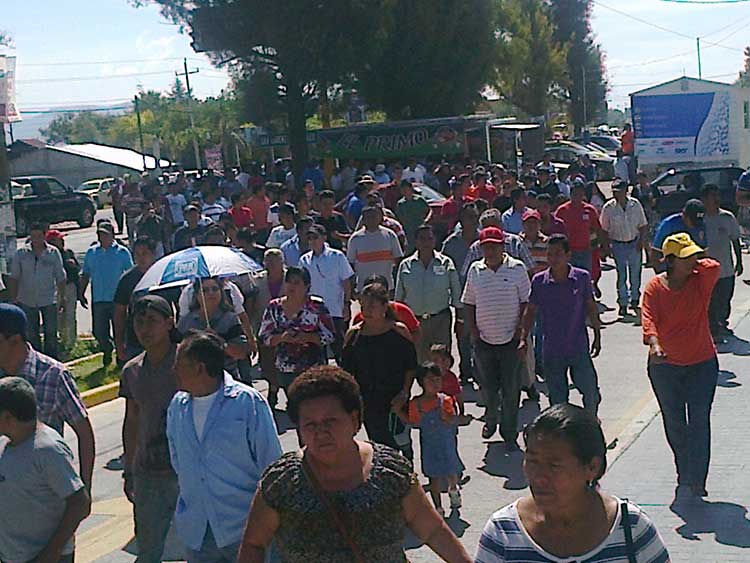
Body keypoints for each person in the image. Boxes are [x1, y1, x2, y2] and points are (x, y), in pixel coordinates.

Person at [238, 365, 471, 563]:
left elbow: (433, 531)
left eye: (330, 421)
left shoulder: (390, 472)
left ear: (354, 420)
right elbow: (253, 545)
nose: (321, 432)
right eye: (310, 424)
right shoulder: (281, 483)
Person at [475, 403, 670, 563]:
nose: (539, 476)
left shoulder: (631, 528)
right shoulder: (502, 533)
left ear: (592, 467)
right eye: (532, 461)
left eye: (554, 465)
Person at [167, 330, 282, 563]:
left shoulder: (246, 403)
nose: (173, 371)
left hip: (245, 529)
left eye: (179, 364)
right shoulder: (178, 407)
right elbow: (178, 460)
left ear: (200, 368)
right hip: (198, 532)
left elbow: (271, 465)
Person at [641, 233, 720, 497]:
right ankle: (683, 470)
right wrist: (655, 344)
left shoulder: (701, 281)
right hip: (665, 367)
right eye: (686, 258)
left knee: (699, 422)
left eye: (694, 256)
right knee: (675, 422)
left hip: (702, 364)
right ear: (670, 261)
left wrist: (693, 262)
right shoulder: (654, 287)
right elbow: (649, 319)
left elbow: (715, 266)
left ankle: (698, 478)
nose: (693, 261)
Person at [0, 304, 96, 490]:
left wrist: (84, 489)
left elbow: (84, 434)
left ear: (15, 340)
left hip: (44, 492)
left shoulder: (54, 375)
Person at [0, 377, 91, 563]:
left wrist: (51, 553)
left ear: (7, 417)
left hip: (46, 557)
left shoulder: (47, 449)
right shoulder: (5, 443)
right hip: (13, 555)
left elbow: (80, 503)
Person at [120, 296, 179, 563]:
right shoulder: (131, 371)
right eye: (139, 322)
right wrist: (129, 469)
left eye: (152, 321)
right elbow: (131, 420)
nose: (145, 329)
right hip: (148, 473)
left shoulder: (187, 363)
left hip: (186, 472)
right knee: (148, 549)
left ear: (170, 322)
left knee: (199, 548)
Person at [462, 227, 530, 444]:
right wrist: (472, 331)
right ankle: (491, 417)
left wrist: (522, 333)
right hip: (484, 341)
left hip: (510, 340)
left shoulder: (517, 269)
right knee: (488, 388)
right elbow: (469, 302)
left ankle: (509, 433)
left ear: (503, 247)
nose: (490, 251)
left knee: (511, 390)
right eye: (486, 247)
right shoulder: (475, 270)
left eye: (494, 246)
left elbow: (526, 303)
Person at [521, 235, 603, 416]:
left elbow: (591, 307)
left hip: (578, 347)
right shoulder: (540, 281)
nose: (553, 258)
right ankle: (566, 435)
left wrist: (597, 335)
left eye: (558, 254)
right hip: (552, 350)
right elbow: (530, 311)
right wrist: (523, 337)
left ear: (568, 255)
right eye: (550, 254)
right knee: (558, 400)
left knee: (590, 391)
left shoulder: (581, 278)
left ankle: (590, 422)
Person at [342, 283, 418, 452]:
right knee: (381, 448)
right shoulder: (354, 335)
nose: (366, 311)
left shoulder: (399, 331)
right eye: (363, 306)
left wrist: (404, 392)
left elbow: (411, 366)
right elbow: (346, 374)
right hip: (369, 403)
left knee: (403, 445)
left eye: (371, 306)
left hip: (396, 401)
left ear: (384, 306)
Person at [397, 362, 464, 517]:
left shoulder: (445, 400)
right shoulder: (415, 403)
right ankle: (438, 508)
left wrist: (447, 416)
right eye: (430, 380)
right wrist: (400, 413)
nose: (435, 383)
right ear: (421, 382)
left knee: (451, 471)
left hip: (446, 444)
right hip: (429, 447)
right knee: (433, 478)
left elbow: (452, 419)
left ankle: (453, 489)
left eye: (437, 379)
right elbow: (414, 423)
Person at [258, 267, 335, 393]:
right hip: (285, 369)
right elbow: (263, 337)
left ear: (307, 286)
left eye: (297, 282)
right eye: (289, 281)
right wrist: (282, 338)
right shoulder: (274, 307)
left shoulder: (317, 306)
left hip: (313, 369)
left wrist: (308, 337)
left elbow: (330, 335)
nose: (292, 286)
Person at [395, 224, 462, 363]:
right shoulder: (405, 265)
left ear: (435, 240)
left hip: (440, 320)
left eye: (429, 238)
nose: (426, 242)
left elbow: (456, 292)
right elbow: (399, 298)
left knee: (440, 361)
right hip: (415, 322)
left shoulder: (446, 263)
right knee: (419, 361)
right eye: (422, 239)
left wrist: (460, 319)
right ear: (416, 241)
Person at [8, 222, 66, 359]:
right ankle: (35, 361)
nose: (36, 239)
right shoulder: (21, 254)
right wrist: (14, 298)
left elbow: (61, 277)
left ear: (44, 235)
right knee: (32, 334)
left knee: (51, 333)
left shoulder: (53, 253)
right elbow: (14, 277)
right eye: (33, 236)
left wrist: (62, 298)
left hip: (48, 299)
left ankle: (52, 361)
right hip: (27, 300)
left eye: (39, 236)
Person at [80, 221, 134, 367]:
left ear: (112, 235)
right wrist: (81, 292)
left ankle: (121, 358)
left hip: (117, 299)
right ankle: (107, 348)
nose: (102, 237)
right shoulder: (92, 252)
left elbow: (131, 273)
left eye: (105, 234)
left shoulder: (122, 252)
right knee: (98, 331)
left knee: (120, 330)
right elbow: (85, 274)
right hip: (99, 298)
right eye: (99, 234)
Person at [299, 224, 354, 364]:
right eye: (309, 238)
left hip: (334, 310)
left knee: (340, 350)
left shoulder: (337, 256)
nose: (312, 241)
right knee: (317, 352)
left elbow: (346, 282)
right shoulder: (304, 260)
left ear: (324, 237)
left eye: (315, 237)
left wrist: (347, 304)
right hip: (313, 312)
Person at [176, 277, 250, 378]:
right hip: (195, 379)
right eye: (205, 290)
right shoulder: (186, 322)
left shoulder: (230, 319)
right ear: (197, 295)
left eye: (215, 289)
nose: (211, 293)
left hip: (226, 377)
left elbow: (241, 353)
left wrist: (219, 341)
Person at [600, 178, 648, 316]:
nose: (616, 194)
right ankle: (622, 302)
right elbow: (604, 229)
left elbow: (643, 225)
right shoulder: (608, 208)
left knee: (635, 273)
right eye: (614, 191)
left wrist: (641, 242)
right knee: (621, 275)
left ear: (626, 191)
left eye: (619, 191)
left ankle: (634, 298)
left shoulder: (635, 204)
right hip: (618, 244)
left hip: (633, 242)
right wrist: (606, 247)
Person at [701, 184, 743, 340]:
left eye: (717, 196)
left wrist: (739, 261)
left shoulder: (727, 217)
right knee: (711, 301)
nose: (717, 199)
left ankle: (722, 324)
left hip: (726, 268)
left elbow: (735, 240)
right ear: (704, 199)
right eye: (713, 196)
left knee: (725, 298)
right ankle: (713, 327)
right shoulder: (700, 219)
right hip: (706, 270)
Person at [245, 249, 286, 408]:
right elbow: (251, 306)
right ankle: (273, 389)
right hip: (265, 328)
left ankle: (288, 391)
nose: (270, 266)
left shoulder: (290, 278)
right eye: (267, 262)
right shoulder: (257, 280)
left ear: (281, 263)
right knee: (268, 363)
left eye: (274, 262)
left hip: (286, 327)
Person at [114, 237, 157, 365]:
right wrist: (119, 343)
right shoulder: (127, 280)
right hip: (136, 340)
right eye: (137, 254)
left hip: (163, 337)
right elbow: (119, 313)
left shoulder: (163, 276)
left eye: (145, 253)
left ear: (153, 254)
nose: (141, 258)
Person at [554, 179, 608, 275]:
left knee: (585, 277)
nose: (577, 196)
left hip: (585, 251)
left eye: (580, 193)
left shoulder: (590, 210)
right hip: (568, 252)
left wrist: (603, 246)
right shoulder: (562, 210)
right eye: (575, 193)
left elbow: (598, 230)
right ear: (570, 194)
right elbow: (555, 229)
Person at [347, 205, 404, 292]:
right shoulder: (355, 238)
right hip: (364, 287)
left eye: (374, 216)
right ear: (363, 219)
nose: (371, 220)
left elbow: (398, 260)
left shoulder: (390, 235)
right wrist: (352, 288)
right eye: (368, 217)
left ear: (379, 217)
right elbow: (350, 264)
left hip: (386, 286)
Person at [45, 230, 81, 357]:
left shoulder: (68, 253)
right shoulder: (48, 255)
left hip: (70, 287)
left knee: (70, 315)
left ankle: (71, 344)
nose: (62, 241)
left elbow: (77, 272)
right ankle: (61, 341)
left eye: (62, 239)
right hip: (54, 288)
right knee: (58, 318)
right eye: (59, 239)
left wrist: (73, 266)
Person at [651, 199, 707, 266]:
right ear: (684, 215)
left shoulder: (701, 225)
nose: (695, 225)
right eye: (692, 220)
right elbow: (655, 253)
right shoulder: (669, 224)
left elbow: (703, 252)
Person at [430, 344, 466, 419]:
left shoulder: (451, 378)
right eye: (434, 360)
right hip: (432, 410)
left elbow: (458, 395)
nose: (438, 363)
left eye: (443, 360)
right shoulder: (429, 377)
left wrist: (461, 411)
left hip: (449, 410)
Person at [396, 179, 432, 250]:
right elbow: (398, 218)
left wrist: (427, 219)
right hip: (408, 231)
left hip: (420, 228)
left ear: (411, 189)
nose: (405, 191)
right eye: (402, 189)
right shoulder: (400, 204)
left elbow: (429, 210)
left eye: (406, 188)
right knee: (410, 249)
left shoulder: (419, 200)